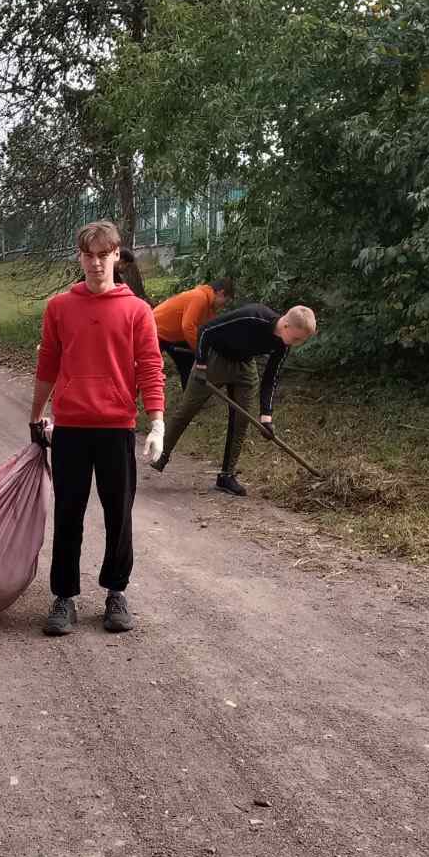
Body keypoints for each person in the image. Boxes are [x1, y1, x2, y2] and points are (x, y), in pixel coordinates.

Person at [29, 220, 165, 637]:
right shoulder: (59, 308)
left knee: (118, 514)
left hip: (116, 427)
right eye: (89, 255)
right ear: (80, 257)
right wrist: (35, 415)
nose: (96, 263)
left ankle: (115, 593)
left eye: (104, 255)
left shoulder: (137, 311)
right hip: (71, 427)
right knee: (68, 514)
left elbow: (150, 367)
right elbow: (48, 364)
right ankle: (63, 597)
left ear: (117, 256)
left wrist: (157, 422)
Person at [152, 303, 317, 497]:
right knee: (187, 410)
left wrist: (266, 416)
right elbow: (206, 330)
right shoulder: (252, 316)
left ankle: (226, 476)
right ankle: (162, 454)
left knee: (241, 420)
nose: (296, 344)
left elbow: (271, 378)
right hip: (215, 360)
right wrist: (202, 364)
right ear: (286, 325)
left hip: (244, 366)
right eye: (297, 339)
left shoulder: (283, 345)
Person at [152, 276, 234, 391]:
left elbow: (208, 331)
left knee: (188, 365)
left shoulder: (210, 308)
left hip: (174, 335)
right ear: (221, 293)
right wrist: (200, 351)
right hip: (154, 329)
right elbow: (188, 327)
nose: (224, 305)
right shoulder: (199, 297)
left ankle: (189, 398)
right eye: (226, 301)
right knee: (147, 368)